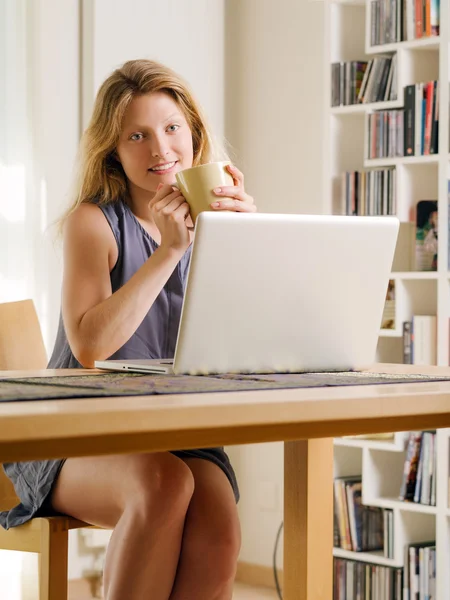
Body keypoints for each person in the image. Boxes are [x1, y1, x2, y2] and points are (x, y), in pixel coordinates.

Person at [0, 59, 256, 600]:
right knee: (162, 486)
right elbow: (91, 346)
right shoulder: (94, 222)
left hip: (174, 434)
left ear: (194, 134)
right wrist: (169, 251)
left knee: (219, 520)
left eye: (170, 129)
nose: (159, 149)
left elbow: (255, 340)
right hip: (69, 435)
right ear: (113, 150)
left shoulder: (221, 220)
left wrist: (249, 242)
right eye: (136, 135)